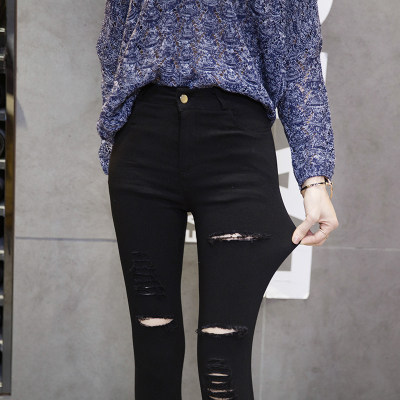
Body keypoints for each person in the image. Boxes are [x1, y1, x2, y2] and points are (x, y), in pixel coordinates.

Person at [95, 1, 339, 399]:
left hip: (235, 147)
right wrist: (115, 136)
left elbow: (298, 59)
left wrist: (315, 178)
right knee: (152, 344)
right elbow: (113, 41)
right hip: (143, 140)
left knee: (224, 359)